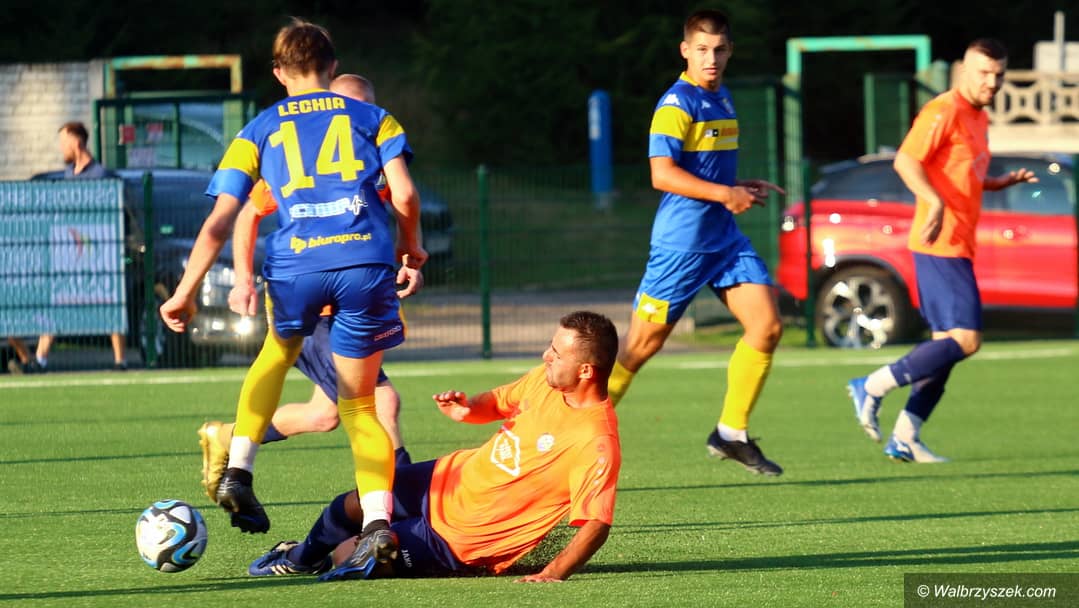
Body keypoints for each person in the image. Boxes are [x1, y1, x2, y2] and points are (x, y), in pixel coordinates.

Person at [159, 18, 426, 575]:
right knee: (361, 406)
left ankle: (239, 469)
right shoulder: (375, 118)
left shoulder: (257, 130)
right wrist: (411, 247)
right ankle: (378, 523)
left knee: (276, 356)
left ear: (279, 72)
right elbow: (404, 194)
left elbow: (221, 219)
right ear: (332, 66)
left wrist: (185, 292)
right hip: (365, 267)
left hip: (296, 267)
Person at [245, 311, 621, 582]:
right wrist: (468, 408)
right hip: (445, 478)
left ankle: (337, 554)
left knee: (353, 555)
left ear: (586, 371)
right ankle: (300, 557)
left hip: (460, 538)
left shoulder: (595, 441)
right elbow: (500, 402)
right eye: (550, 347)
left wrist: (553, 572)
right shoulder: (546, 380)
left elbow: (597, 523)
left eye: (557, 353)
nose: (546, 356)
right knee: (356, 501)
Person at [197, 73, 416, 503]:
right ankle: (403, 500)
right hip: (314, 311)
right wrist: (242, 278)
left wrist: (408, 260)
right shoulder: (309, 159)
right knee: (381, 402)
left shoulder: (375, 159)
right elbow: (247, 214)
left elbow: (399, 211)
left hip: (351, 304)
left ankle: (227, 436)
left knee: (322, 415)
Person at [606, 9, 786, 476]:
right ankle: (569, 433)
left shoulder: (721, 96)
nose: (711, 58)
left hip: (724, 240)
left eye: (720, 49)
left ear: (730, 51)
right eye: (702, 49)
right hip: (682, 246)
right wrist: (726, 194)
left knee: (766, 326)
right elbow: (662, 174)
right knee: (639, 348)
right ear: (685, 50)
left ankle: (731, 433)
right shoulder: (677, 103)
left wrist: (736, 185)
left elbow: (701, 168)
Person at [846, 38, 1037, 463]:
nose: (992, 82)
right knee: (966, 340)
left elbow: (963, 175)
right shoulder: (942, 110)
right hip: (939, 243)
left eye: (999, 74)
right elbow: (906, 161)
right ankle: (872, 386)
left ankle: (905, 436)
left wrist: (998, 184)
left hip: (959, 244)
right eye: (984, 73)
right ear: (963, 72)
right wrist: (932, 202)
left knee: (944, 349)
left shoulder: (979, 116)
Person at [35, 122, 128, 372]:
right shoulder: (68, 175)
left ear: (76, 142)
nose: (61, 148)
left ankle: (120, 360)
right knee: (58, 300)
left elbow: (114, 215)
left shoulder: (101, 175)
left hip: (98, 251)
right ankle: (40, 359)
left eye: (63, 142)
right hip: (71, 251)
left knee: (109, 301)